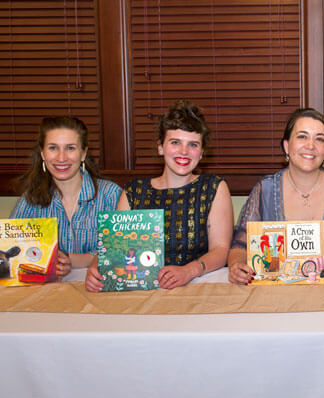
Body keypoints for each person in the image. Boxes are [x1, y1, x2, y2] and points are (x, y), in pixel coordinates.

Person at [85, 100, 233, 291]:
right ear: (160, 147)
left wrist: (188, 271)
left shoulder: (214, 187)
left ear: (202, 152)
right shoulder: (133, 192)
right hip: (140, 291)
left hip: (198, 287)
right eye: (175, 142)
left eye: (193, 145)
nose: (184, 152)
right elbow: (114, 248)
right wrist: (96, 268)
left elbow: (221, 250)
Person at [227, 108, 324, 284]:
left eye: (319, 139)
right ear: (286, 145)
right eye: (302, 136)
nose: (311, 145)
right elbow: (240, 245)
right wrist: (236, 265)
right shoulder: (264, 190)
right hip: (273, 297)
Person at [10, 116, 122, 276]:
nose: (61, 158)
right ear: (42, 154)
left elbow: (122, 252)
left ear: (83, 153)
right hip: (46, 293)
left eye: (70, 148)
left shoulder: (111, 195)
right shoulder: (31, 199)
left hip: (99, 289)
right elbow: (13, 250)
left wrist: (69, 260)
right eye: (53, 148)